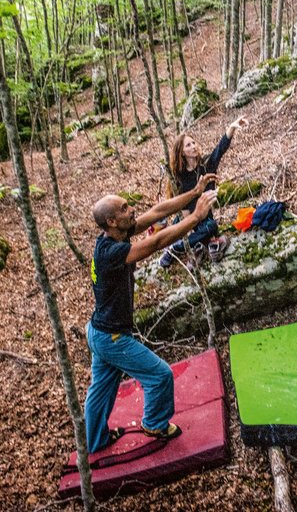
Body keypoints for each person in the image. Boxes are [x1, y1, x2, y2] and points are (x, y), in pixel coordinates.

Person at [85, 176, 218, 453]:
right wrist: (196, 218)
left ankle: (95, 441)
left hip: (98, 332)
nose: (131, 209)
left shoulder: (115, 234)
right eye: (123, 209)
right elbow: (156, 243)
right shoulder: (111, 252)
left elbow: (158, 212)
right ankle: (155, 423)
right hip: (111, 337)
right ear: (111, 221)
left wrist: (193, 191)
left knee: (101, 390)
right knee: (159, 375)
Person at [158, 116, 248, 268]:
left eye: (193, 143)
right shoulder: (178, 177)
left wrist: (232, 128)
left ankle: (176, 248)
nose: (193, 146)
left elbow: (220, 149)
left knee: (211, 226)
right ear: (182, 152)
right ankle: (190, 245)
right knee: (174, 228)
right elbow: (182, 208)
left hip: (204, 218)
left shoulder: (206, 166)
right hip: (187, 216)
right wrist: (186, 224)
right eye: (188, 145)